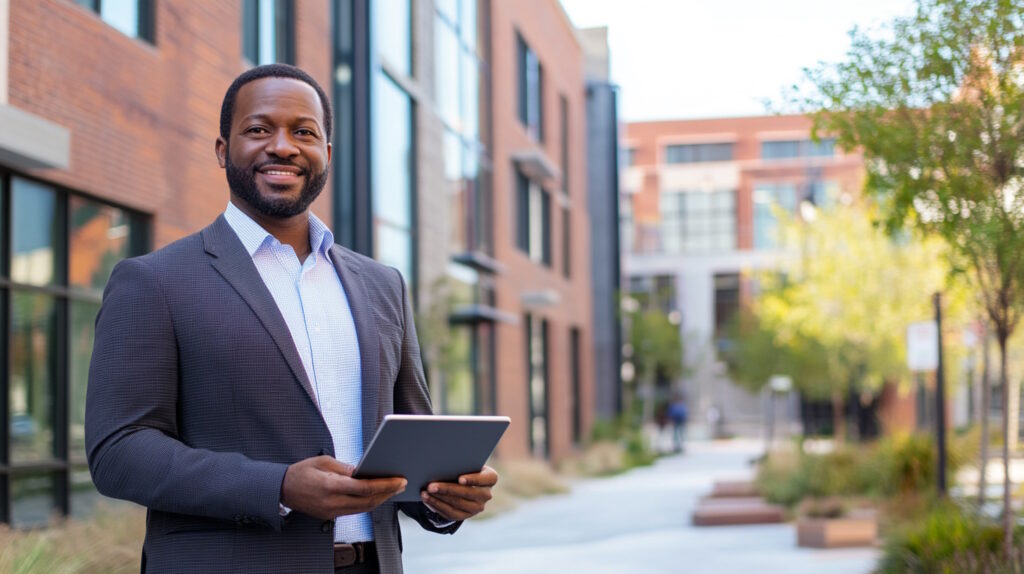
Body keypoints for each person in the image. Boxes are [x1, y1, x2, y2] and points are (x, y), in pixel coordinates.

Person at [85, 64, 497, 574]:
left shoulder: (382, 284)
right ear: (222, 150)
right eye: (259, 130)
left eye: (304, 132)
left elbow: (408, 437)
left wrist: (444, 496)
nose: (283, 146)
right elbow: (119, 453)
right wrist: (278, 486)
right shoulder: (154, 282)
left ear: (326, 152)